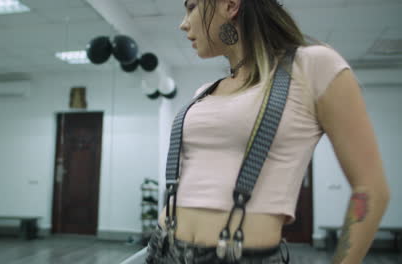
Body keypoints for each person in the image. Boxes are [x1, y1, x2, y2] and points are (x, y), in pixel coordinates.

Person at [144, 0, 391, 263]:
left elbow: (370, 188)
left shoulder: (314, 65)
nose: (183, 23)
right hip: (162, 249)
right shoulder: (204, 91)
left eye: (191, 7)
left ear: (230, 5)